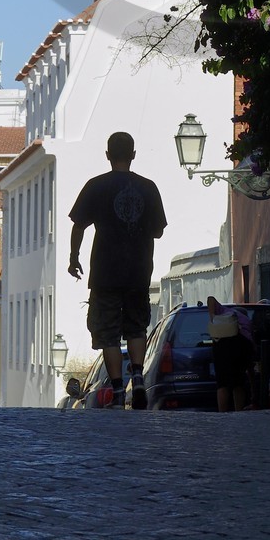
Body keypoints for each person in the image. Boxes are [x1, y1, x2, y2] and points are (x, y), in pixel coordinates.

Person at [68, 131, 166, 410]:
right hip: (138, 270)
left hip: (105, 271)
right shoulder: (149, 188)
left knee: (108, 332)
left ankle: (118, 389)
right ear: (133, 155)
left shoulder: (95, 186)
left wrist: (73, 257)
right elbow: (158, 231)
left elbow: (78, 225)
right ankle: (138, 377)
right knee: (137, 327)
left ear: (107, 154)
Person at [206, 296, 256, 412]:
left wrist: (212, 318)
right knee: (238, 383)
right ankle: (239, 412)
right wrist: (254, 394)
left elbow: (210, 299)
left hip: (221, 346)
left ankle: (222, 414)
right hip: (241, 345)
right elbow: (250, 366)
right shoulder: (247, 323)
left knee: (222, 384)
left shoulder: (226, 311)